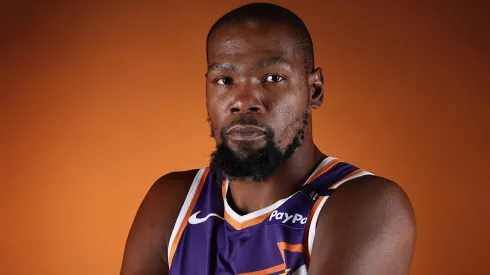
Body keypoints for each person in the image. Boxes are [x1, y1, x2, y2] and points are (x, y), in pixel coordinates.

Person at [120, 3, 416, 275]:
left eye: (272, 78)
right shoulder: (174, 202)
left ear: (314, 90)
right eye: (225, 80)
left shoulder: (364, 205)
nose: (244, 101)